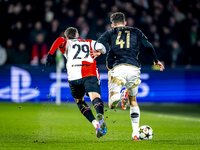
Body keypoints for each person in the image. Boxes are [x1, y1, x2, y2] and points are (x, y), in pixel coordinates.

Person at [93, 12, 164, 141]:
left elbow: (98, 45)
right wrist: (156, 60)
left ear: (112, 24)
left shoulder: (110, 32)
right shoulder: (136, 31)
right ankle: (135, 134)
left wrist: (99, 52)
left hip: (117, 67)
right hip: (134, 68)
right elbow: (148, 45)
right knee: (133, 101)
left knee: (112, 104)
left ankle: (120, 95)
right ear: (125, 23)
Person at [45, 27, 107, 138]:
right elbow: (102, 47)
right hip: (89, 73)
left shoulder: (65, 44)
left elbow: (59, 39)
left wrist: (50, 53)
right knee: (95, 98)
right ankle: (100, 115)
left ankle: (95, 124)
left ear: (67, 37)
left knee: (80, 102)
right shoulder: (89, 42)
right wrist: (99, 53)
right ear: (77, 35)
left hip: (74, 76)